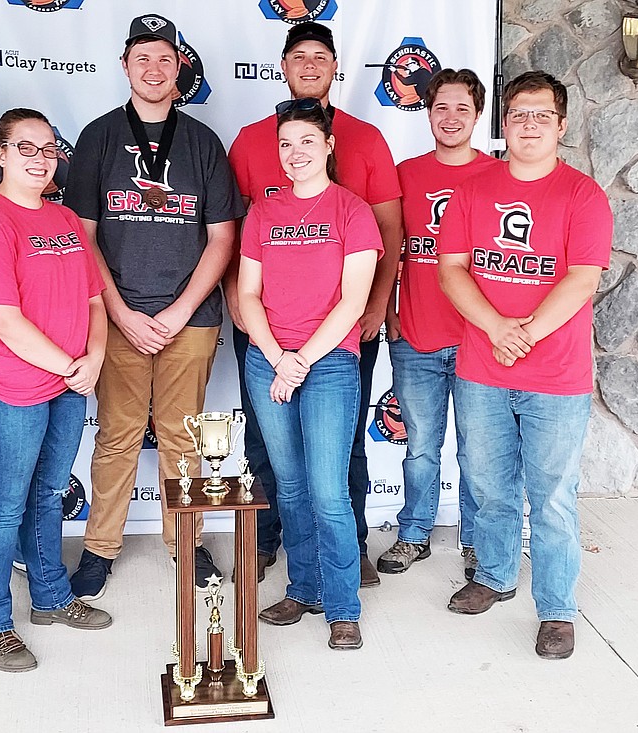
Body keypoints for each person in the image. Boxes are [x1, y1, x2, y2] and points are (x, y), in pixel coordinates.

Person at [63, 14, 245, 599]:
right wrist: (118, 311)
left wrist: (177, 311)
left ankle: (184, 545)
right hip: (116, 316)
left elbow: (222, 237)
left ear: (178, 67)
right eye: (142, 57)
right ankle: (99, 548)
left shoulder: (203, 141)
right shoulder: (97, 137)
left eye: (164, 58)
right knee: (115, 435)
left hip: (189, 318)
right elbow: (82, 235)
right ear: (125, 65)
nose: (153, 68)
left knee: (181, 438)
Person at [438, 71, 612, 660]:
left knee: (554, 495)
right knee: (488, 485)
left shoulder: (583, 195)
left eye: (542, 115)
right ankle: (494, 575)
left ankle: (557, 608)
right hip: (483, 369)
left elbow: (582, 279)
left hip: (556, 376)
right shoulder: (471, 192)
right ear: (502, 124)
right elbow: (452, 268)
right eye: (518, 114)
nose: (529, 124)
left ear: (562, 126)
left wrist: (527, 334)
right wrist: (496, 330)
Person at [227, 21, 403, 588]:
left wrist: (375, 305)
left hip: (338, 336)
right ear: (282, 65)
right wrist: (251, 318)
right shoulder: (252, 142)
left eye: (320, 56)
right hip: (266, 332)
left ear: (335, 66)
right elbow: (235, 233)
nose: (309, 64)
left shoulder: (366, 144)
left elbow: (389, 235)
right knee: (272, 448)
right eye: (297, 55)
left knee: (341, 449)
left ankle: (347, 560)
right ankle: (279, 553)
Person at [0, 108, 112, 673]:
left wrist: (91, 359)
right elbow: (3, 318)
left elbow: (94, 301)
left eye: (49, 148)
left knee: (48, 493)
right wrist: (71, 365)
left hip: (71, 378)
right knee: (3, 504)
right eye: (26, 147)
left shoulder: (67, 220)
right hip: (11, 378)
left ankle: (50, 597)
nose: (40, 158)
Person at [237, 99, 381, 648]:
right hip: (267, 361)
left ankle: (343, 606)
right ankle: (303, 587)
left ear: (328, 145)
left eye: (305, 141)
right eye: (285, 144)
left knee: (327, 490)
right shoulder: (264, 214)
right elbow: (248, 295)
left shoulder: (352, 212)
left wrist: (299, 362)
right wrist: (278, 357)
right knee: (291, 488)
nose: (294, 153)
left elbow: (352, 303)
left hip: (329, 366)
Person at [376, 69, 499, 579]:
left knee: (478, 449)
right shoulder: (406, 173)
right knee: (421, 446)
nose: (451, 118)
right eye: (441, 107)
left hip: (478, 341)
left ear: (478, 115)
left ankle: (475, 539)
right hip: (417, 337)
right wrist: (386, 314)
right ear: (427, 113)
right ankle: (414, 534)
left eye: (462, 109)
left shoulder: (499, 175)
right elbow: (386, 249)